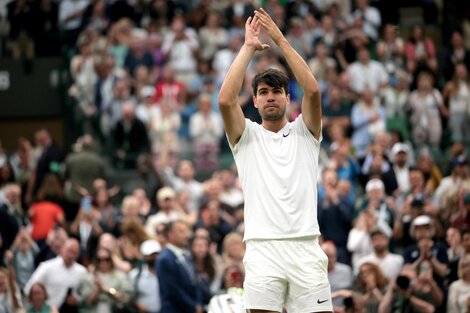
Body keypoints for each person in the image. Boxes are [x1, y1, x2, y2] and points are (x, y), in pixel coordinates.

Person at [218, 8, 332, 313]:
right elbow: (226, 100)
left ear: (287, 98)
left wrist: (279, 39)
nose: (270, 96)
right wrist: (248, 47)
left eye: (277, 91)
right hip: (262, 249)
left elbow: (313, 89)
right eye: (264, 92)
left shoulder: (306, 132)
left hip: (305, 247)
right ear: (254, 101)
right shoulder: (246, 136)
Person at [156, 220, 203, 313]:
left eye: (186, 231)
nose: (186, 235)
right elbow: (173, 291)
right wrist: (193, 307)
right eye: (181, 232)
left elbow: (194, 281)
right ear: (170, 234)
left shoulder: (186, 255)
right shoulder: (164, 259)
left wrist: (198, 304)